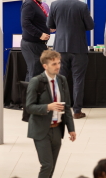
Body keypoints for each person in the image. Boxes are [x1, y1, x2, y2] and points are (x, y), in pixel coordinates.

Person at [47, 0, 94, 119]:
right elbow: (90, 25)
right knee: (78, 80)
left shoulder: (55, 4)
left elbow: (50, 24)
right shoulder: (82, 6)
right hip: (78, 49)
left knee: (60, 80)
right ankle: (77, 111)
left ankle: (59, 109)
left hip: (60, 49)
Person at [26, 50, 76, 178]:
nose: (58, 66)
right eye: (54, 64)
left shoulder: (62, 80)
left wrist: (71, 129)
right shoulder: (36, 82)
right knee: (47, 165)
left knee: (52, 166)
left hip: (57, 129)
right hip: (41, 130)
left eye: (59, 63)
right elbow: (29, 107)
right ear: (45, 66)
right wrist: (48, 107)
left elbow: (67, 106)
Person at [21, 0, 51, 81]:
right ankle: (30, 96)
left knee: (34, 72)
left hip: (38, 45)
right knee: (34, 73)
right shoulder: (29, 4)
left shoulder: (37, 4)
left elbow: (37, 22)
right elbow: (25, 23)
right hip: (32, 45)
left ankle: (30, 96)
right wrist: (40, 34)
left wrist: (48, 28)